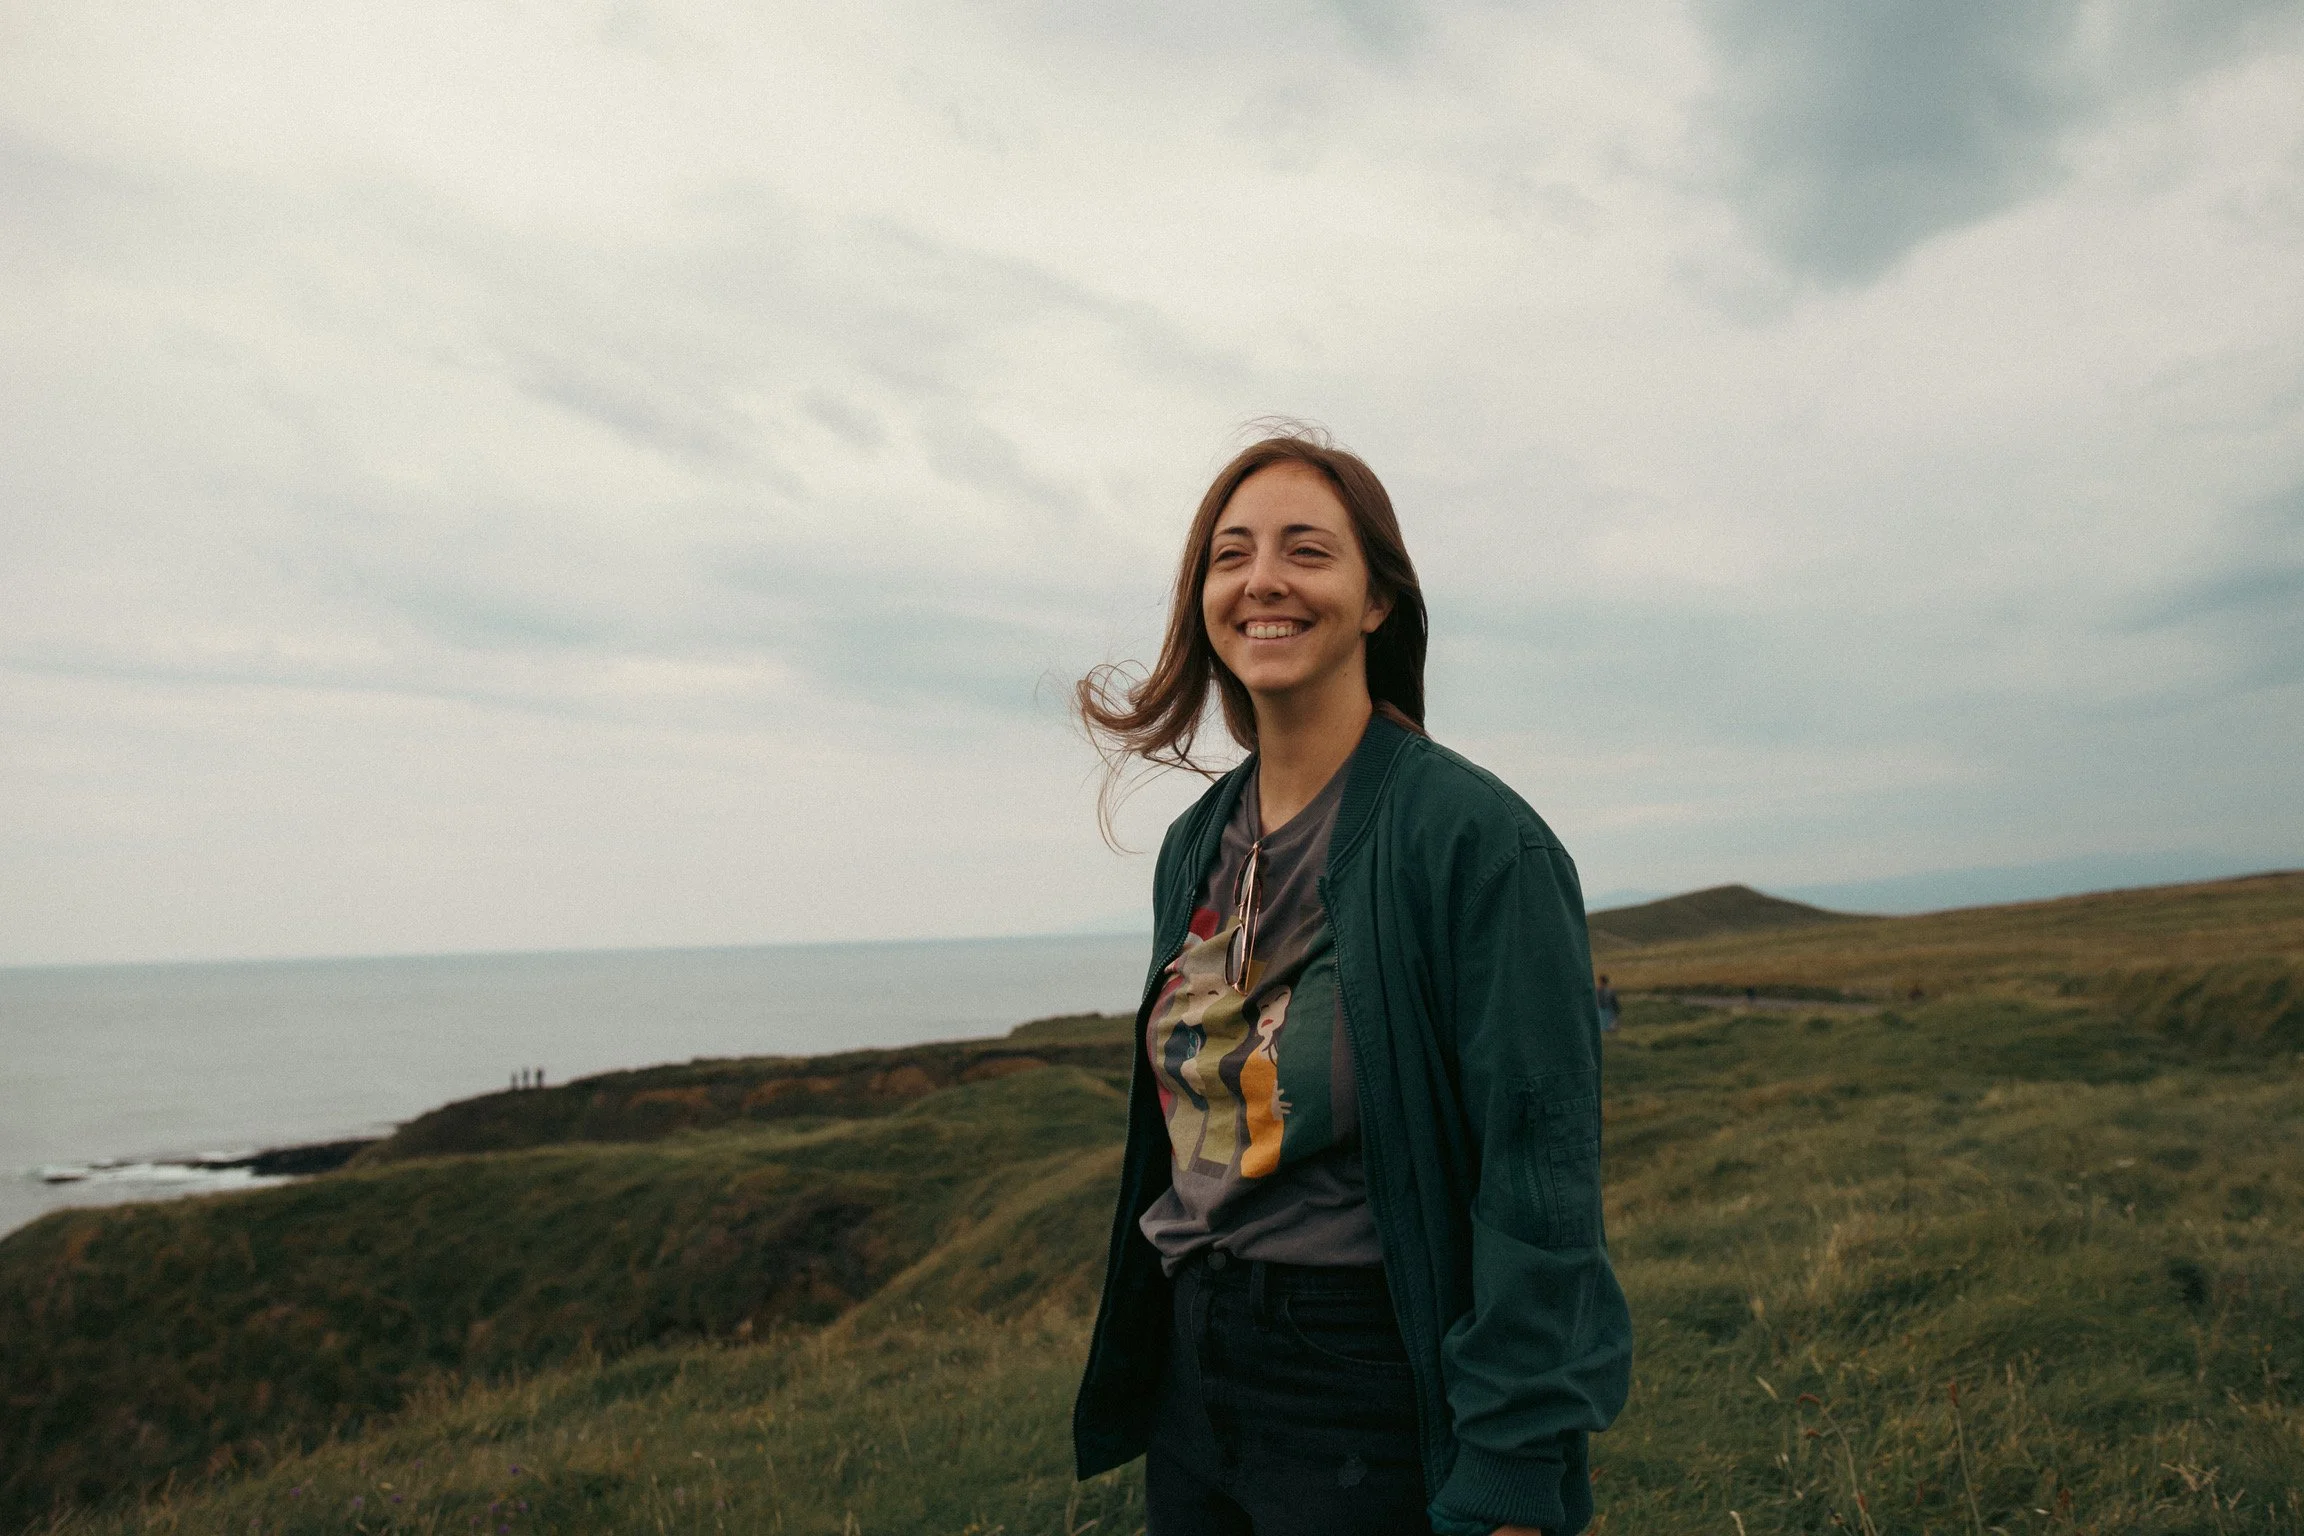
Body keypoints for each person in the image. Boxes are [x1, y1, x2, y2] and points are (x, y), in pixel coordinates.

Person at [1070, 431, 1633, 1536]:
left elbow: (1539, 1180)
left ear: (1378, 601)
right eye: (1231, 554)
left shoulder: (1475, 843)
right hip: (1196, 1378)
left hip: (1365, 1384)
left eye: (1307, 551)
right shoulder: (1197, 842)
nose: (1263, 579)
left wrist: (1515, 1465)